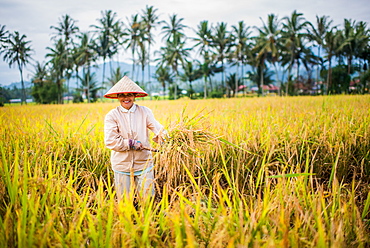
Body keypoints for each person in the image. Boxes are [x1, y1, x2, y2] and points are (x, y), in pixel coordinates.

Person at [104, 76, 166, 201]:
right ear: (117, 97)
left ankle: (148, 220)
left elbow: (157, 128)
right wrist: (130, 143)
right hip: (121, 164)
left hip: (144, 163)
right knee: (124, 201)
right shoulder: (112, 115)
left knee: (148, 199)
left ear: (134, 96)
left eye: (129, 94)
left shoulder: (145, 112)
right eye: (122, 95)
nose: (126, 98)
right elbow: (111, 141)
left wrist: (168, 138)